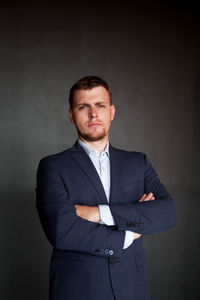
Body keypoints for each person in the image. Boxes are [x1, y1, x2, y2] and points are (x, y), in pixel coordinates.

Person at [36, 76, 176, 300]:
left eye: (100, 106)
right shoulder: (52, 166)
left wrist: (98, 212)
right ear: (71, 115)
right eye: (83, 107)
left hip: (132, 287)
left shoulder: (138, 162)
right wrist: (129, 235)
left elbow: (167, 212)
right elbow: (61, 231)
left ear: (111, 112)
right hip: (79, 289)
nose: (93, 114)